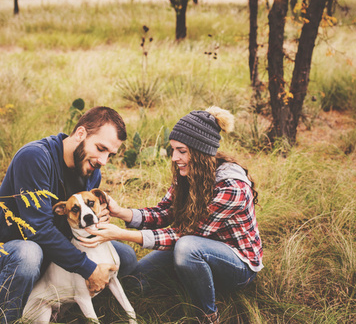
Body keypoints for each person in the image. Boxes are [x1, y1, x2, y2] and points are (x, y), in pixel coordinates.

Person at [92, 106, 263, 324]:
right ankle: (190, 276)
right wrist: (121, 212)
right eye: (173, 150)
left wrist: (120, 234)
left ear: (200, 152)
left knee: (187, 248)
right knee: (135, 282)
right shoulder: (188, 174)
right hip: (195, 247)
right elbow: (164, 212)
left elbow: (185, 235)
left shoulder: (232, 187)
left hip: (238, 265)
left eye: (181, 151)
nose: (174, 158)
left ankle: (207, 316)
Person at [0, 106, 137, 323]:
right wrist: (89, 269)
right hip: (8, 256)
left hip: (51, 258)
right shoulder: (35, 158)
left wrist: (98, 219)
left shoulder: (90, 171)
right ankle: (6, 317)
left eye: (110, 154)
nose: (103, 161)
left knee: (124, 257)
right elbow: (38, 230)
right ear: (80, 134)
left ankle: (71, 308)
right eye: (100, 148)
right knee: (29, 255)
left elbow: (78, 224)